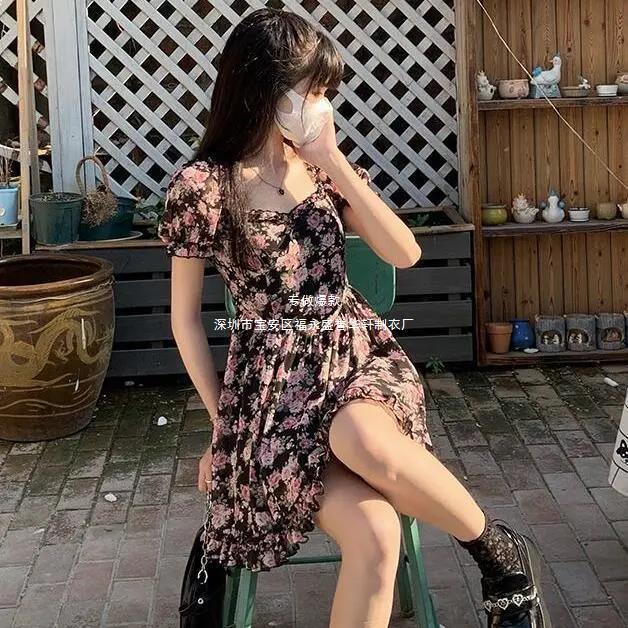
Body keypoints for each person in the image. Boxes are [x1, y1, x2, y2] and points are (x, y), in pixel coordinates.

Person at [158, 8, 550, 628]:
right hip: (273, 394)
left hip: (356, 359)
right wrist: (222, 427)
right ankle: (502, 556)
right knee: (376, 532)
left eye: (325, 91)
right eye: (312, 90)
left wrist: (334, 161)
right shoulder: (203, 187)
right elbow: (184, 321)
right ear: (266, 90)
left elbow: (405, 252)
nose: (323, 104)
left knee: (360, 439)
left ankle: (497, 553)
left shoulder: (324, 172)